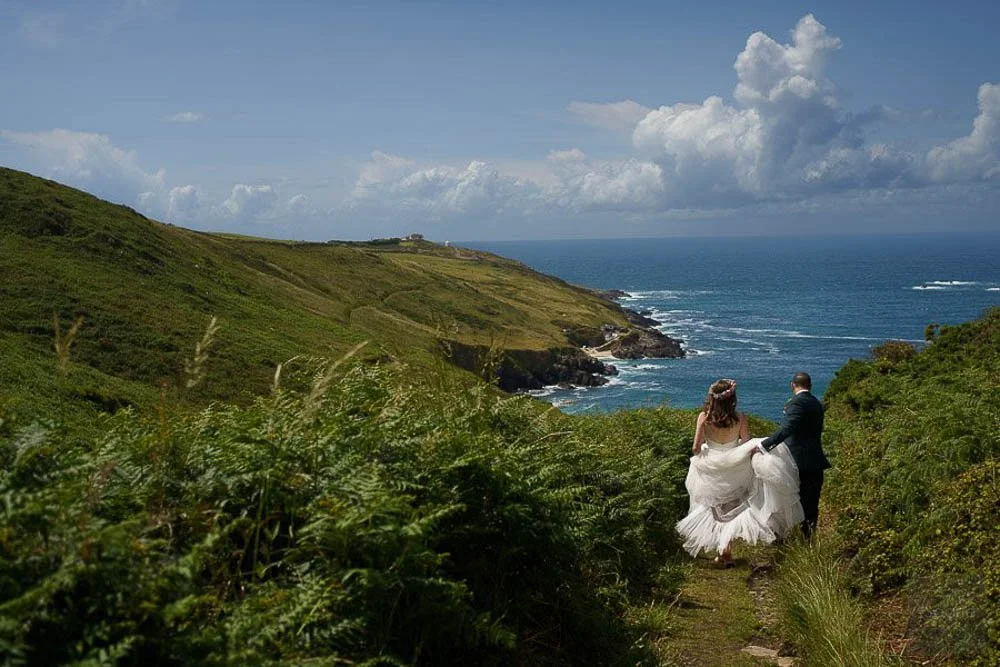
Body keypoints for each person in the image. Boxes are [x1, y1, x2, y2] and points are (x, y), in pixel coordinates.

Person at [676, 379, 803, 567]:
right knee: (734, 508)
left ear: (712, 398)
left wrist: (705, 449)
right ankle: (726, 551)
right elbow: (746, 443)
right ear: (732, 398)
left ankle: (723, 553)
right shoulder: (740, 418)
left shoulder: (703, 417)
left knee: (714, 508)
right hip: (735, 466)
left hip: (711, 466)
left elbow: (695, 448)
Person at [756, 371, 830, 539]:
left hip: (797, 460)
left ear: (792, 385)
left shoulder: (796, 403)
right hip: (816, 460)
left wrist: (764, 445)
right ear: (810, 385)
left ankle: (782, 537)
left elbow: (787, 429)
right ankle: (808, 538)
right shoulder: (817, 403)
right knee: (811, 502)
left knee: (787, 498)